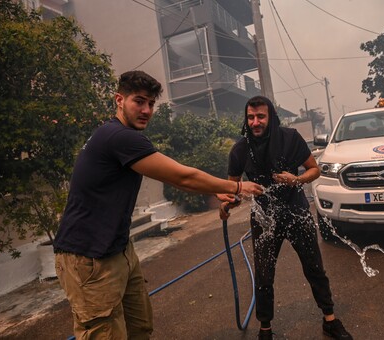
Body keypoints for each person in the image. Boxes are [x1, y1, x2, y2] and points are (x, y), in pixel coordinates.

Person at [53, 70, 263, 339]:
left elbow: (174, 178)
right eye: (138, 101)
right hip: (87, 256)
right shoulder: (119, 137)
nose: (146, 110)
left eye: (151, 104)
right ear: (119, 99)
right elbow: (183, 176)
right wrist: (236, 186)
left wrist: (215, 192)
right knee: (104, 333)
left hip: (118, 249)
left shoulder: (121, 136)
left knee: (139, 327)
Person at [217, 96, 353, 339]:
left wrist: (297, 179)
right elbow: (232, 190)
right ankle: (265, 329)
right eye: (250, 117)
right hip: (264, 218)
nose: (255, 122)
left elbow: (315, 169)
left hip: (296, 211)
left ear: (271, 117)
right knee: (264, 274)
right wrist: (227, 205)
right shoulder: (240, 149)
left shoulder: (290, 138)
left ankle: (330, 320)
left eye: (260, 117)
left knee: (314, 267)